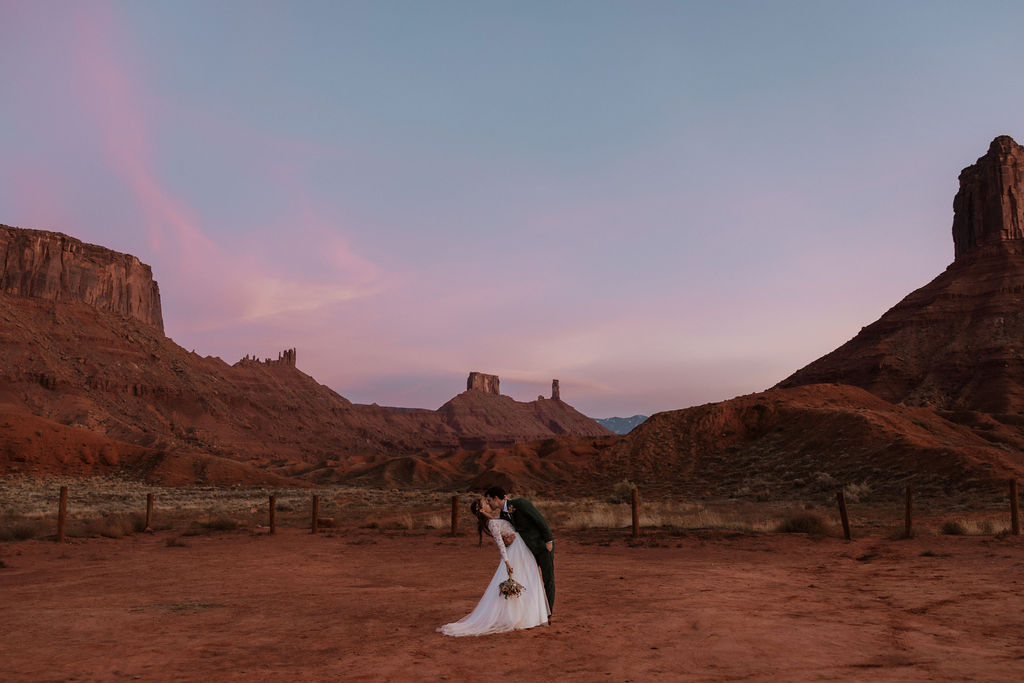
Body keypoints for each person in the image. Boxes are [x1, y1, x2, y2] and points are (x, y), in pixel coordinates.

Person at [438, 498, 549, 636]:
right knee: (524, 578)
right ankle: (522, 617)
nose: (488, 503)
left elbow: (505, 534)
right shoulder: (491, 523)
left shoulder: (492, 520)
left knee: (527, 578)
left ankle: (528, 615)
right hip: (517, 550)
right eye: (485, 502)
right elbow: (500, 544)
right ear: (482, 509)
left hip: (519, 546)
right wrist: (507, 562)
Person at [485, 486, 555, 616]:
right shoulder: (502, 515)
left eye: (489, 500)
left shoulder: (520, 503)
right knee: (531, 578)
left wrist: (548, 540)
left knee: (548, 578)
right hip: (526, 550)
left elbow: (539, 520)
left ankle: (548, 613)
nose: (489, 503)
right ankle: (534, 612)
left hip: (541, 545)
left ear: (496, 498)